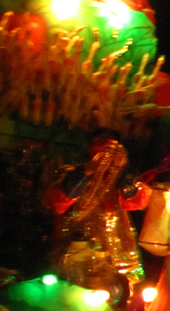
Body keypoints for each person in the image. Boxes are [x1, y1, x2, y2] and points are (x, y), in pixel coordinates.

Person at [44, 128, 151, 300]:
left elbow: (138, 201)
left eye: (110, 145)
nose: (105, 150)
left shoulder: (123, 179)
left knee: (122, 301)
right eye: (99, 144)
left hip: (118, 257)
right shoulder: (70, 173)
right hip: (79, 253)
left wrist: (124, 178)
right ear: (88, 147)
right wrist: (87, 171)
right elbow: (58, 201)